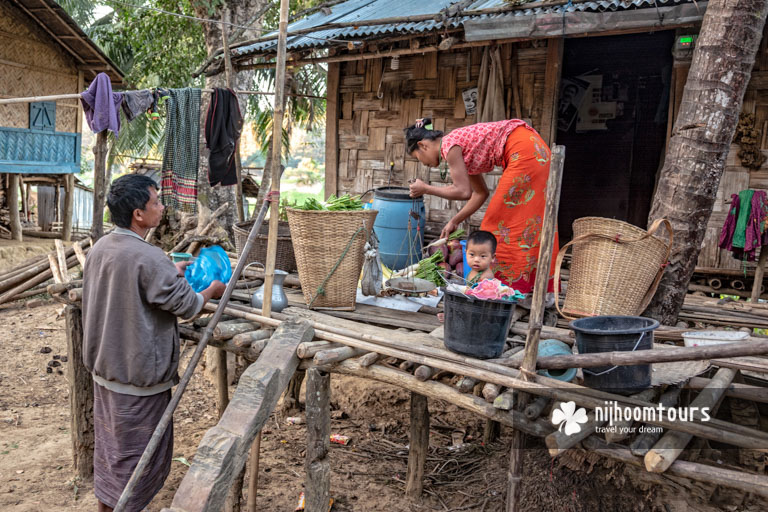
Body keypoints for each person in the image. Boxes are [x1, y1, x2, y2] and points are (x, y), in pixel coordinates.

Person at [81, 174, 226, 512]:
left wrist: (169, 272)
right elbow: (189, 306)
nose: (161, 208)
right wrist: (213, 290)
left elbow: (136, 283)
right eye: (156, 202)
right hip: (138, 380)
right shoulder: (147, 257)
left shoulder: (101, 248)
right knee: (134, 466)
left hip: (106, 373)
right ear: (138, 215)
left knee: (113, 458)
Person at [406, 117, 558, 295]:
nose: (423, 163)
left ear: (423, 145)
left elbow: (463, 192)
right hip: (533, 148)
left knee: (496, 225)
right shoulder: (459, 147)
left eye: (418, 158)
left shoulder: (450, 146)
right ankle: (528, 287)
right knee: (527, 222)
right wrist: (455, 220)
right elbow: (480, 193)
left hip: (524, 152)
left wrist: (425, 188)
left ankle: (499, 288)